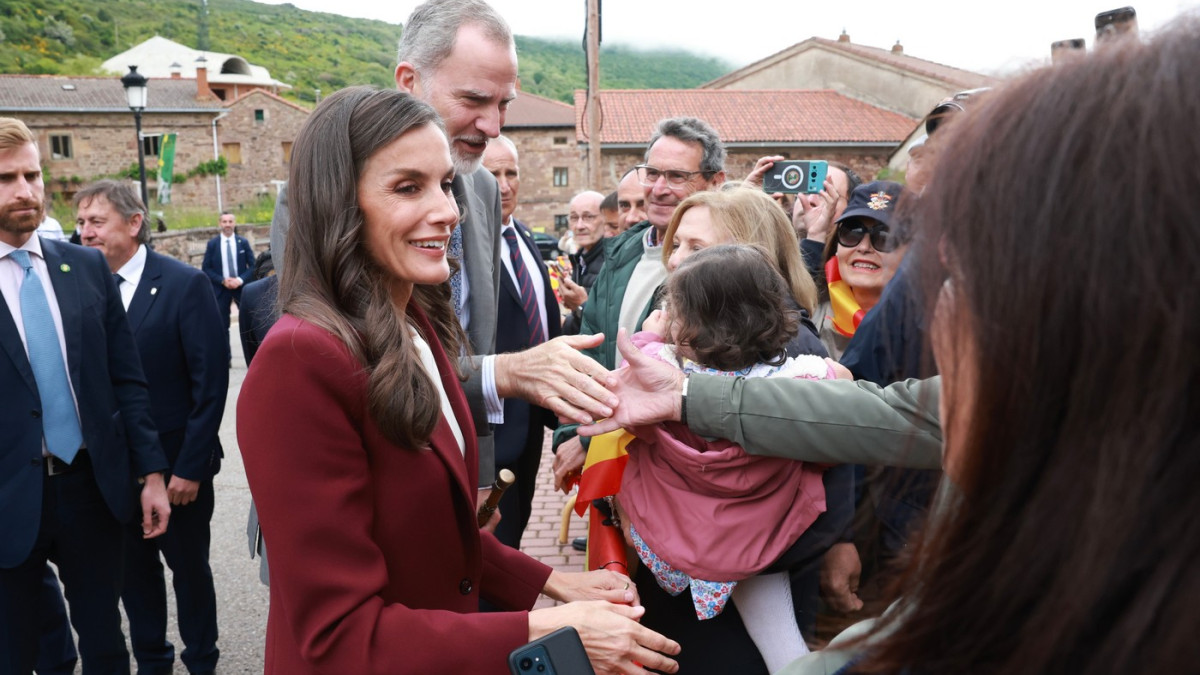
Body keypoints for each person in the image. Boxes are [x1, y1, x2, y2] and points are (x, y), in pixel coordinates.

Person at [587, 19, 1200, 673]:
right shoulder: (1069, 421)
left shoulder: (1074, 521)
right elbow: (885, 413)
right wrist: (683, 393)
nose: (934, 304)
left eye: (959, 268)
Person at [237, 86, 679, 675]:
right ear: (338, 204)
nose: (449, 210)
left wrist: (554, 583)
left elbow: (443, 536)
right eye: (406, 187)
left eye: (445, 184)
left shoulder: (414, 319)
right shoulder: (299, 361)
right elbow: (338, 637)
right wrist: (543, 629)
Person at [392, 0, 618, 493]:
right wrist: (511, 372)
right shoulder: (328, 185)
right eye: (474, 100)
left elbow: (474, 336)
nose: (494, 127)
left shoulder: (483, 189)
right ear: (409, 82)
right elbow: (352, 367)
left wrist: (481, 477)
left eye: (504, 105)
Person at [0, 116, 171, 674]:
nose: (25, 191)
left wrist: (150, 475)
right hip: (7, 499)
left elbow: (127, 381)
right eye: (6, 179)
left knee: (104, 645)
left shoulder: (85, 267)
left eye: (31, 174)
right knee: (18, 651)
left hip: (89, 489)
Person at [620, 244, 840, 672]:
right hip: (759, 537)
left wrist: (650, 335)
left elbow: (633, 404)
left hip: (671, 536)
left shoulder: (661, 371)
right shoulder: (795, 378)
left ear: (689, 324)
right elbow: (841, 386)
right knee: (783, 647)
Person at [76, 179, 228, 675]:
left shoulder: (184, 284)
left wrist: (189, 468)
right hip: (115, 473)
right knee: (134, 578)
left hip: (180, 470)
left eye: (96, 222)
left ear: (134, 223)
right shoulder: (80, 286)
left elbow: (210, 385)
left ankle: (202, 660)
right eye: (80, 223)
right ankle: (154, 663)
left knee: (188, 572)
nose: (85, 233)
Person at [480, 134, 561, 550]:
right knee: (492, 542)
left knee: (516, 529)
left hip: (531, 422)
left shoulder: (525, 237)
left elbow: (544, 320)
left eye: (511, 172)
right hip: (491, 426)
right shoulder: (463, 248)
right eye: (493, 174)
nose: (505, 184)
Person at [811, 181, 908, 360]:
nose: (863, 247)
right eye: (852, 232)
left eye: (884, 237)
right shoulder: (807, 314)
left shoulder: (927, 329)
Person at [200, 211, 255, 363]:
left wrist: (239, 280)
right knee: (222, 326)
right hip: (221, 289)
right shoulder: (213, 244)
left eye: (230, 221)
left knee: (248, 324)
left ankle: (252, 357)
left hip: (241, 289)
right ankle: (226, 359)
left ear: (234, 223)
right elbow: (206, 268)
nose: (228, 225)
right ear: (220, 224)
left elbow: (253, 266)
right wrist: (223, 280)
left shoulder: (242, 242)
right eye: (224, 222)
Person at [559, 190, 606, 335]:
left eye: (588, 217)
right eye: (574, 218)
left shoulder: (612, 262)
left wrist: (581, 305)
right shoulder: (581, 260)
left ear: (606, 218)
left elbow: (613, 327)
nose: (579, 225)